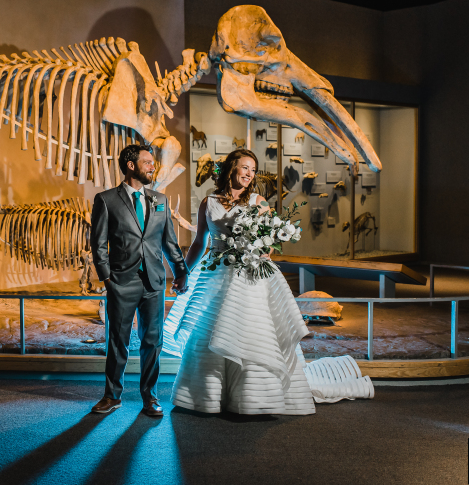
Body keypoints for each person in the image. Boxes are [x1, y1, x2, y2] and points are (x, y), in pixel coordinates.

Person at [162, 149, 316, 415]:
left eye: (253, 170)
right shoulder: (208, 202)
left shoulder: (259, 201)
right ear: (231, 168)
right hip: (216, 274)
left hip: (249, 276)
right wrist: (183, 271)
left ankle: (252, 397)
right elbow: (200, 242)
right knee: (211, 330)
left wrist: (262, 250)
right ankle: (211, 396)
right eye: (245, 167)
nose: (249, 174)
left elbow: (269, 243)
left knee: (250, 331)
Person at [90, 144, 189, 417]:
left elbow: (169, 241)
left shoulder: (160, 200)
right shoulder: (106, 199)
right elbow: (98, 243)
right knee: (117, 341)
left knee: (152, 342)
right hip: (121, 282)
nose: (152, 166)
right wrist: (107, 278)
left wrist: (181, 272)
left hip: (154, 283)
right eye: (147, 162)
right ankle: (112, 396)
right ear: (131, 165)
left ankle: (150, 398)